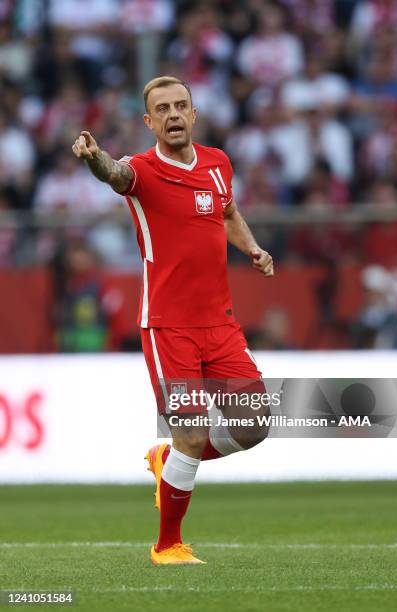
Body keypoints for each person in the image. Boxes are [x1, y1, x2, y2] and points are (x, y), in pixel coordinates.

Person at [72, 75, 273, 565]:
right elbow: (115, 175)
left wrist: (251, 246)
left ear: (195, 113)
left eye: (181, 105)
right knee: (190, 432)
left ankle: (170, 464)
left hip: (220, 325)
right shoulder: (141, 170)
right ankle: (168, 545)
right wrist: (95, 157)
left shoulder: (217, 164)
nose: (174, 115)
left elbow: (227, 213)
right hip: (168, 327)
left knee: (255, 426)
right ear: (149, 121)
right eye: (162, 109)